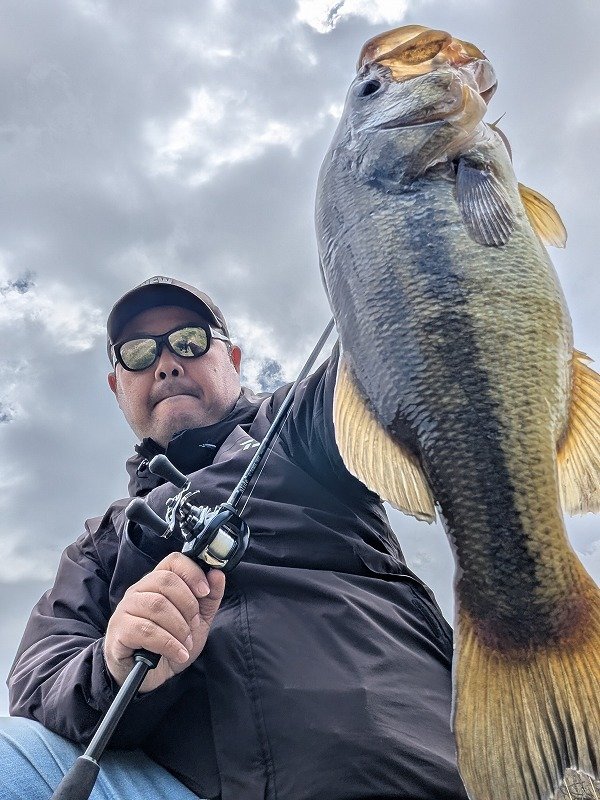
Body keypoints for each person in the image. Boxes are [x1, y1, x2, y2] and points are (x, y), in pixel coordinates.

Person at [3, 275, 467, 800]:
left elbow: (388, 360)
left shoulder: (300, 428)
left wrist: (405, 269)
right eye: (138, 353)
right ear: (117, 386)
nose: (167, 364)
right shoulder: (99, 545)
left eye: (190, 341)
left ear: (233, 358)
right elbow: (41, 675)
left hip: (393, 765)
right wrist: (112, 665)